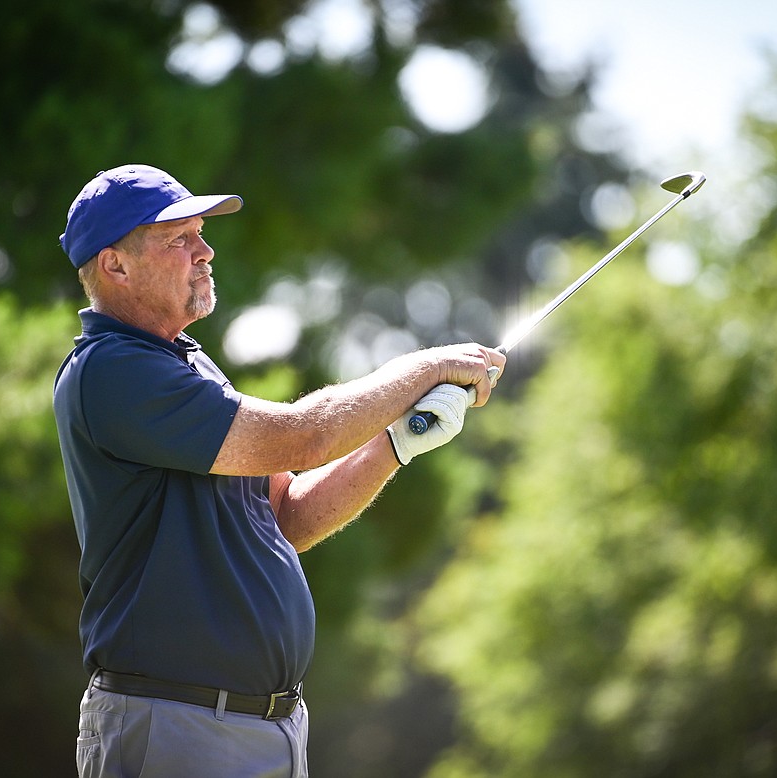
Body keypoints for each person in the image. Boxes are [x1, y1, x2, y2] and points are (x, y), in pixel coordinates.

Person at [53, 164, 504, 777]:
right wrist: (424, 368)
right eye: (178, 238)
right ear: (116, 266)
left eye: (200, 233)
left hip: (264, 729)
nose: (205, 251)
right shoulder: (112, 370)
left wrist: (393, 445)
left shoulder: (187, 364)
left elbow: (283, 517)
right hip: (176, 727)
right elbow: (305, 435)